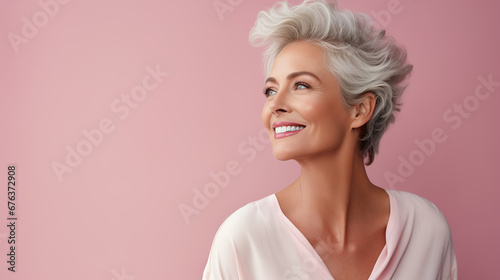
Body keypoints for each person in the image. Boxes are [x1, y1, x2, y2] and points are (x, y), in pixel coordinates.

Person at [202, 0, 457, 279]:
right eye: (270, 90)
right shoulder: (243, 239)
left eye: (301, 85)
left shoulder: (426, 230)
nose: (275, 105)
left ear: (359, 109)